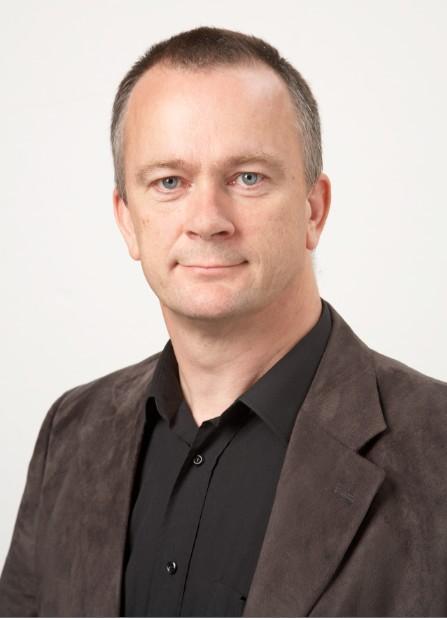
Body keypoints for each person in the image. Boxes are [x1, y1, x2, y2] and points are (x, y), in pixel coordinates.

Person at [0, 25, 446, 618]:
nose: (207, 219)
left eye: (248, 177)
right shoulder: (71, 433)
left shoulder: (438, 447)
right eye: (169, 182)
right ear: (127, 220)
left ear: (314, 210)